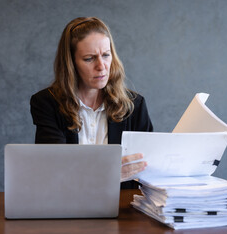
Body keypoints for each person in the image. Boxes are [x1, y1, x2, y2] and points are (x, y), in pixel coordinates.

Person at [30, 17, 153, 188]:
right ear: (71, 64)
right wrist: (109, 173)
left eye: (106, 55)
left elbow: (146, 171)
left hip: (123, 208)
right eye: (89, 58)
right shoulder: (46, 103)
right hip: (67, 205)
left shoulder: (135, 105)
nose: (101, 66)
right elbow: (54, 170)